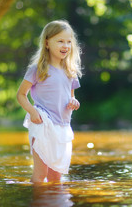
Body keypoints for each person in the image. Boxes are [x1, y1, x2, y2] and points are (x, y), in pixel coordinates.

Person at [17, 20, 82, 184]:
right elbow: (21, 95)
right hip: (42, 124)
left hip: (63, 127)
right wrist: (32, 112)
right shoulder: (38, 69)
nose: (65, 45)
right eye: (60, 41)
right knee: (40, 174)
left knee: (56, 176)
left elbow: (71, 97)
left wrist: (74, 102)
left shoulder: (70, 71)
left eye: (68, 41)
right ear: (47, 43)